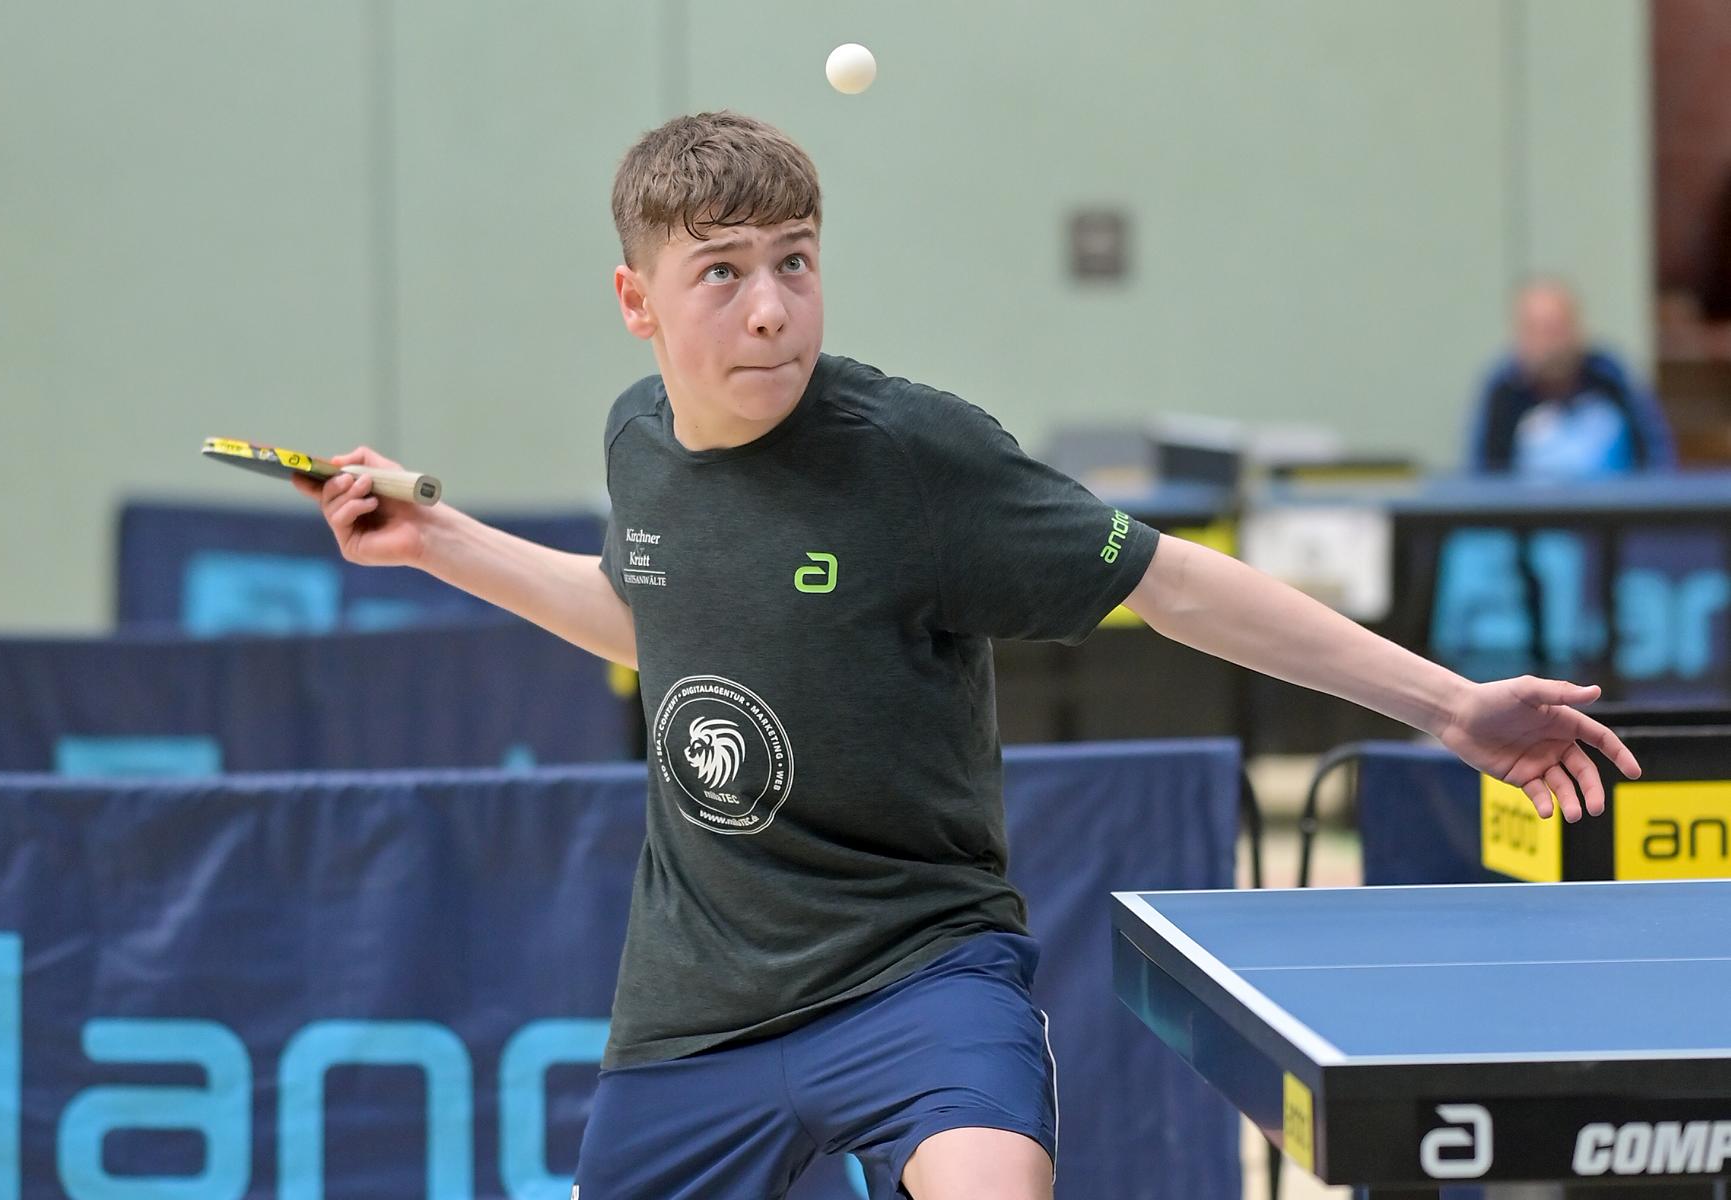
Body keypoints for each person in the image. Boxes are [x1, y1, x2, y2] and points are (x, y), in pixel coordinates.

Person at [298, 112, 1641, 1200]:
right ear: (633, 300)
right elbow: (658, 620)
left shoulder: (913, 457)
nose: (770, 310)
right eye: (721, 272)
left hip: (916, 971)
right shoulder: (637, 440)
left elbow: (1176, 584)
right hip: (695, 1003)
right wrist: (437, 541)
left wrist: (1445, 704)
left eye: (795, 261)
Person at [1467, 279, 1676, 476]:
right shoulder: (1503, 392)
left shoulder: (1611, 379)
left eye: (1555, 329)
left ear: (1577, 328)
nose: (1548, 345)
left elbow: (1658, 459)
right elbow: (1483, 476)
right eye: (1536, 330)